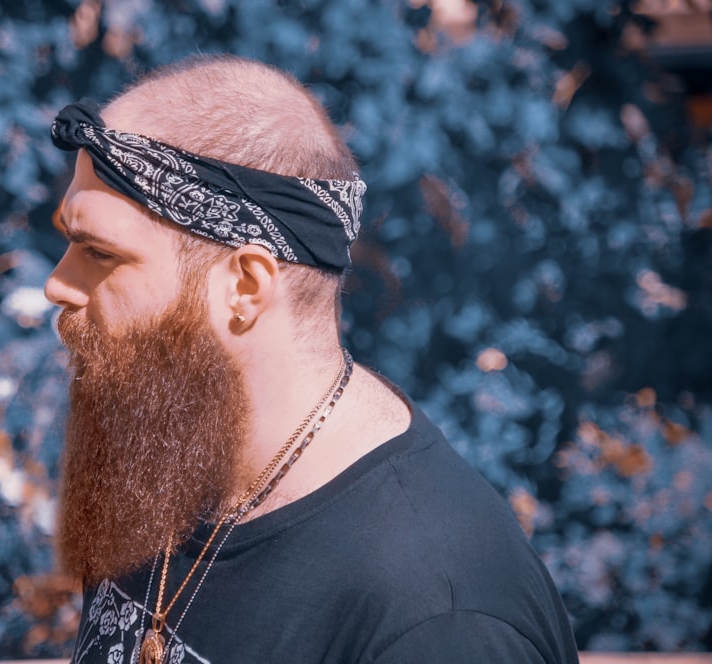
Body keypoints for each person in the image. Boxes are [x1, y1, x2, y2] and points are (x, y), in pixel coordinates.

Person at [44, 54, 579, 664]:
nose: (57, 284)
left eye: (98, 253)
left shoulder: (435, 617)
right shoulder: (169, 456)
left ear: (245, 286)